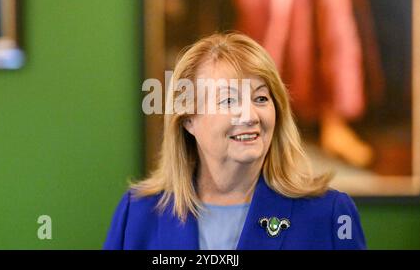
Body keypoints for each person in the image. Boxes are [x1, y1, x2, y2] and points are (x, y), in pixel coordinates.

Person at [103, 32, 367, 250]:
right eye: (229, 100)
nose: (250, 115)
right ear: (188, 120)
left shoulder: (329, 214)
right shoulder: (137, 214)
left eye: (261, 98)